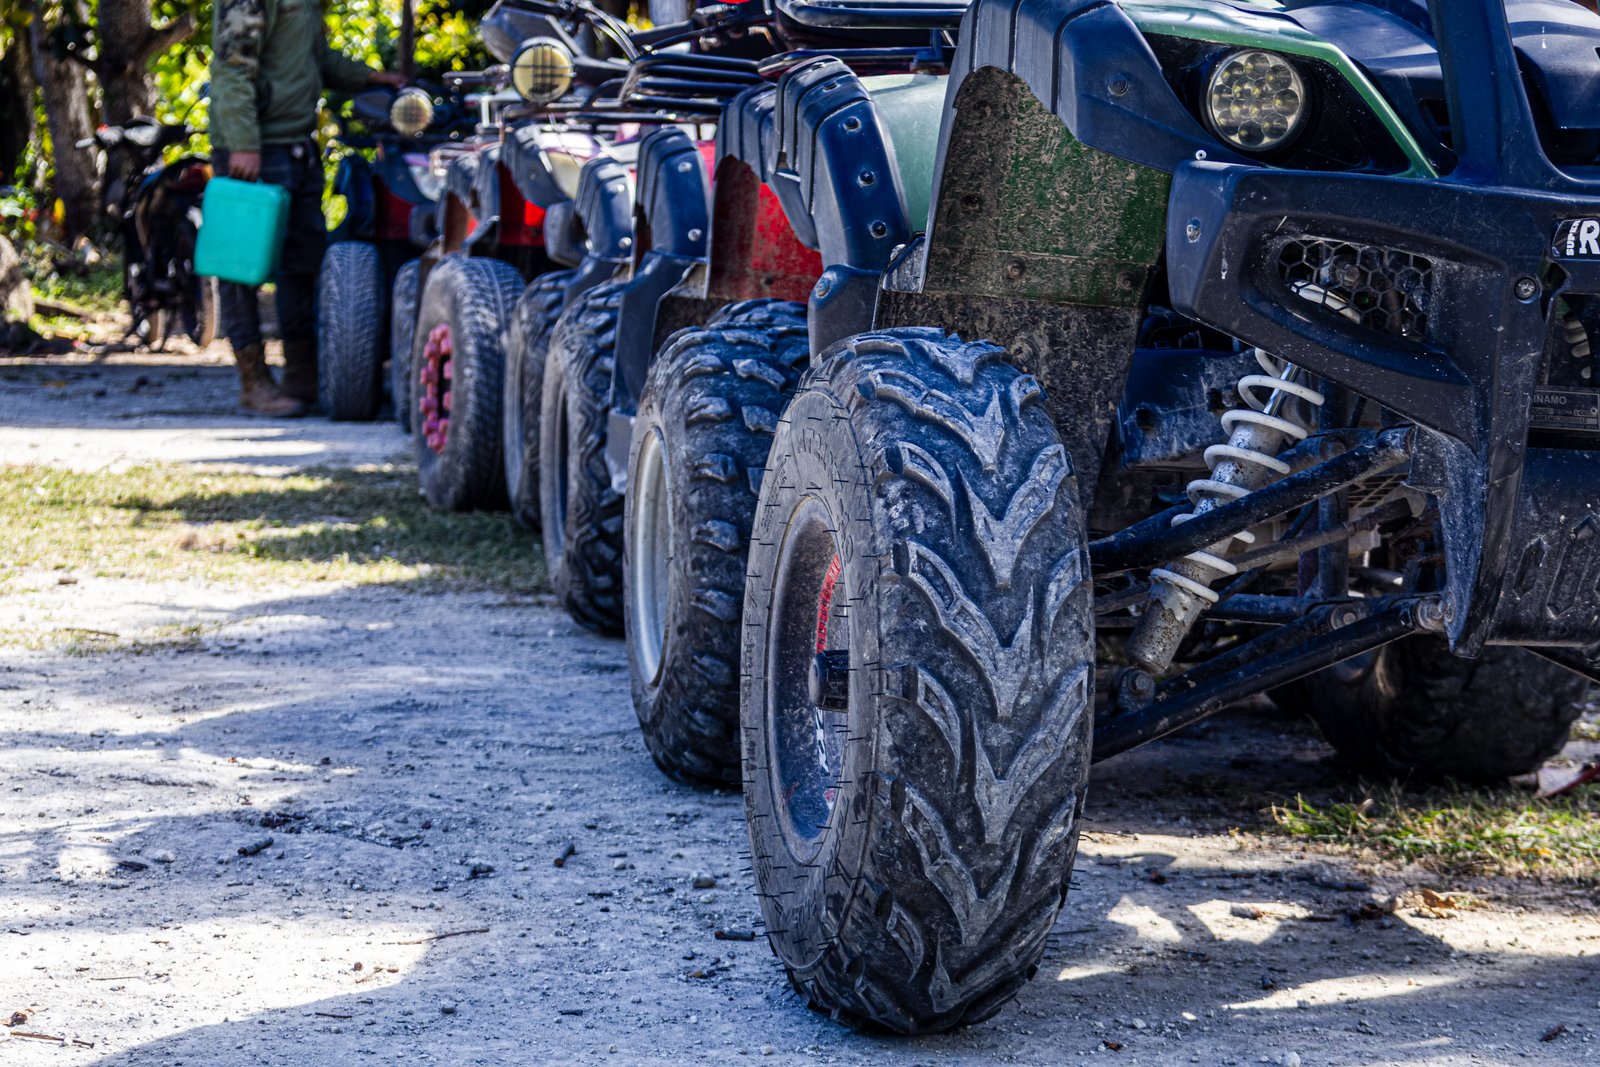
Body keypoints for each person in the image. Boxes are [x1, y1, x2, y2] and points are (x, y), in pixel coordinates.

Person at [210, 0, 403, 416]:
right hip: (254, 149)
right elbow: (231, 68)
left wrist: (370, 78)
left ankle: (302, 375)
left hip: (298, 147)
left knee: (301, 264)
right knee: (240, 268)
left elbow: (316, 59)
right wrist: (243, 142)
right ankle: (254, 382)